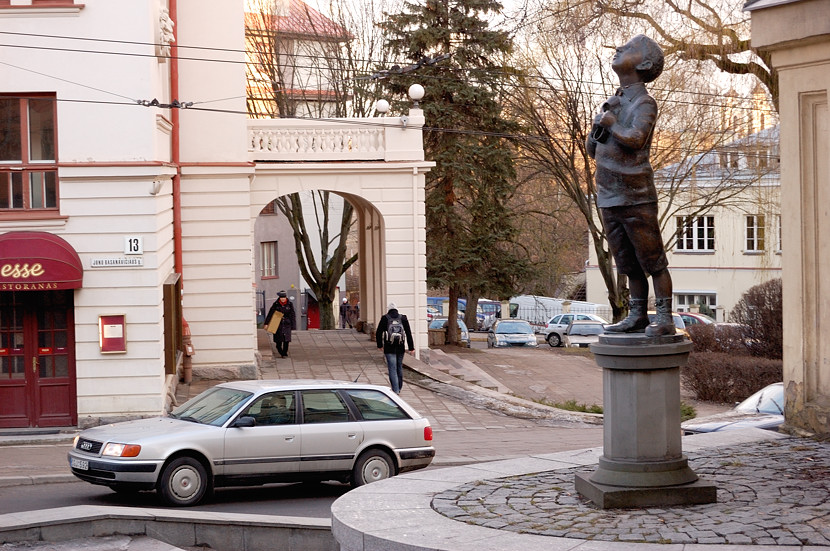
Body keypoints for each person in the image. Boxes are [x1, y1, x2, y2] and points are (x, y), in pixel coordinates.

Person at [586, 34, 675, 337]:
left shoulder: (644, 102)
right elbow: (593, 150)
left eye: (630, 48)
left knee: (652, 260)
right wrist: (598, 126)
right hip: (609, 194)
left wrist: (612, 124)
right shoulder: (616, 100)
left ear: (645, 64)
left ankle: (664, 317)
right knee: (626, 261)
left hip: (635, 195)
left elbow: (636, 140)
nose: (618, 47)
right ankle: (636, 314)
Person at [375, 302, 414, 394]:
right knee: (399, 367)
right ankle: (399, 387)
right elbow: (408, 333)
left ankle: (395, 390)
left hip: (389, 347)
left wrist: (380, 345)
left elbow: (378, 332)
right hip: (400, 347)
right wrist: (411, 347)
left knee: (392, 368)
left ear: (388, 309)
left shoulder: (385, 318)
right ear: (397, 309)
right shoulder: (403, 318)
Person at [264, 290, 296, 357]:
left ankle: (284, 352)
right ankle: (280, 351)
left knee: (286, 339)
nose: (283, 299)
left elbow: (293, 315)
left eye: (284, 297)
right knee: (278, 340)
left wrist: (293, 325)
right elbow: (270, 314)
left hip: (287, 323)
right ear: (279, 298)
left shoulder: (290, 304)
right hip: (277, 323)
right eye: (281, 297)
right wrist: (266, 323)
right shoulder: (275, 304)